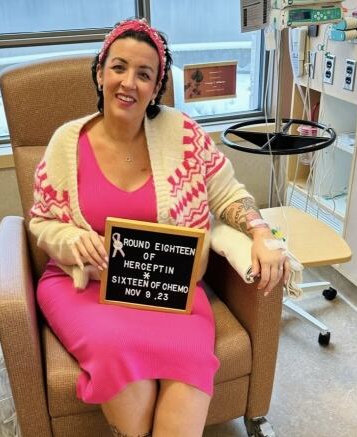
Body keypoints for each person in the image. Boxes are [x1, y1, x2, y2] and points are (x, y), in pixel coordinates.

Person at [29, 18, 290, 437]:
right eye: (118, 67)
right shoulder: (66, 143)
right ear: (100, 72)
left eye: (144, 74)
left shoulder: (183, 134)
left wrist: (261, 233)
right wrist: (73, 239)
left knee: (189, 365)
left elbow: (227, 194)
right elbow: (40, 221)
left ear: (157, 87)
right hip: (86, 288)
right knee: (122, 368)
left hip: (168, 290)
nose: (128, 82)